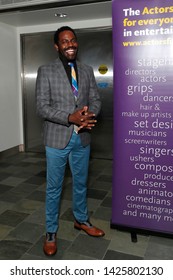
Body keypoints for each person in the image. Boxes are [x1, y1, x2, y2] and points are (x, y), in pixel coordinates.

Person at [35, 26, 105, 256]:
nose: (70, 44)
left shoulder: (86, 70)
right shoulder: (45, 71)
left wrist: (88, 116)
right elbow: (42, 107)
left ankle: (81, 220)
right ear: (57, 46)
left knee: (81, 183)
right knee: (55, 188)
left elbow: (95, 98)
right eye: (64, 41)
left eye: (73, 40)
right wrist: (69, 118)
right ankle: (51, 232)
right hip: (56, 139)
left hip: (82, 137)